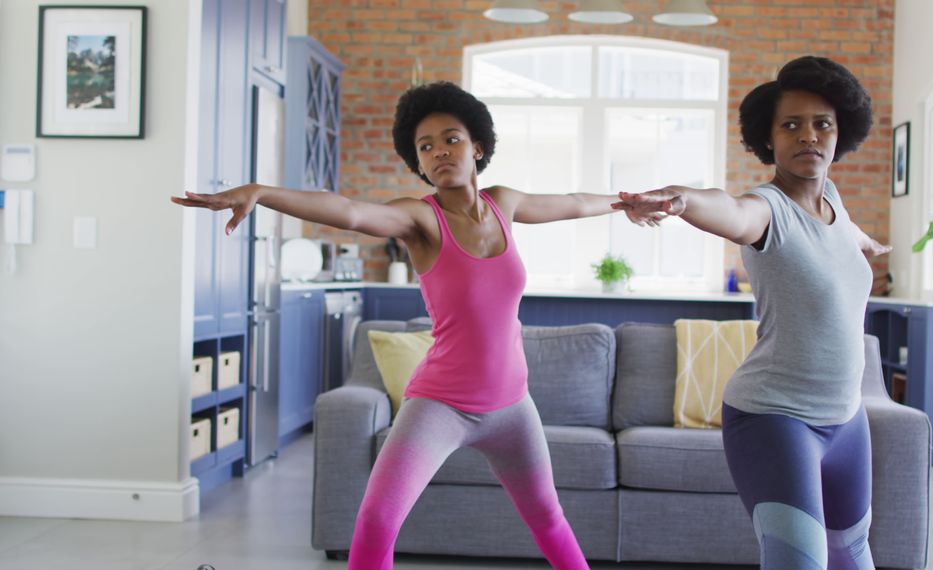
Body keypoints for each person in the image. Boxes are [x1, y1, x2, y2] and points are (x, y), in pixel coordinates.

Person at [173, 81, 617, 570]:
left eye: (451, 139)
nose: (439, 152)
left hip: (513, 407)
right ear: (419, 164)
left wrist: (631, 201)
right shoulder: (419, 220)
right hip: (440, 405)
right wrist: (262, 192)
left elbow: (575, 202)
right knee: (378, 521)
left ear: (478, 147)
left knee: (548, 516)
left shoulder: (504, 204)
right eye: (425, 147)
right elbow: (349, 211)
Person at [614, 56, 890, 570]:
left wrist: (866, 242)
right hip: (774, 417)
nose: (808, 135)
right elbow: (729, 209)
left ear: (840, 132)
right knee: (799, 563)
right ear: (769, 139)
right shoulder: (767, 209)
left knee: (852, 555)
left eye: (821, 124)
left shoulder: (831, 199)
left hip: (847, 419)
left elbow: (839, 235)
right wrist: (677, 201)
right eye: (791, 125)